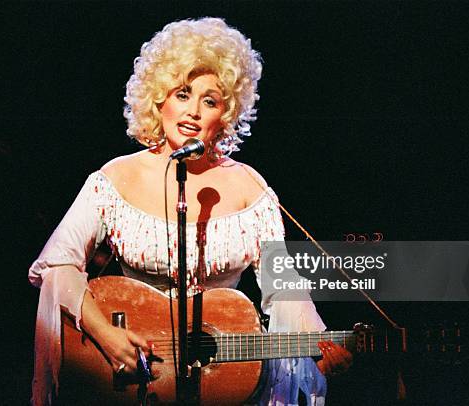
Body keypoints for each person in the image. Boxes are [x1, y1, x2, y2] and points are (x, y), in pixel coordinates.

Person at [28, 17, 352, 406]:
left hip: (221, 387)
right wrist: (107, 335)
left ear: (225, 117)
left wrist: (318, 342)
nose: (193, 111)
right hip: (130, 381)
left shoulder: (250, 188)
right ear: (159, 97)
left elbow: (285, 291)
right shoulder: (114, 178)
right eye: (183, 93)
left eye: (210, 100)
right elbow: (57, 266)